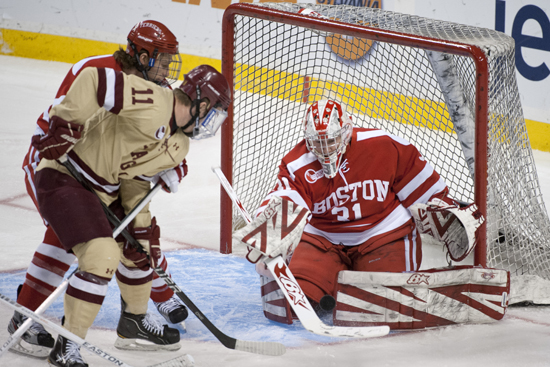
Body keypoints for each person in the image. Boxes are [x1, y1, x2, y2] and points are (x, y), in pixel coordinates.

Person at [29, 64, 230, 367]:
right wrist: (64, 123)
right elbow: (93, 79)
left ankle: (132, 324)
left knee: (142, 250)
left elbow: (133, 179)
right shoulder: (155, 100)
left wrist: (140, 226)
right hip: (66, 175)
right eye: (212, 112)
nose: (210, 123)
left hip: (103, 192)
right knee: (101, 255)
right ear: (201, 104)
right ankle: (66, 346)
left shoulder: (180, 144)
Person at [10, 20, 189, 358]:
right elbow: (61, 118)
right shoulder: (95, 69)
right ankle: (23, 319)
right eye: (163, 60)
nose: (167, 69)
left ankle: (134, 319)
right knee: (70, 241)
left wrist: (168, 160)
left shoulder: (157, 88)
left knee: (137, 235)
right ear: (143, 54)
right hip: (56, 165)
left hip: (104, 180)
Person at [233, 99, 483, 322]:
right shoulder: (298, 163)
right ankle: (330, 278)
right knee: (296, 301)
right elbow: (286, 198)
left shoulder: (383, 145)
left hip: (383, 235)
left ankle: (354, 282)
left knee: (384, 306)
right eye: (317, 143)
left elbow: (422, 186)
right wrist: (270, 230)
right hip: (322, 239)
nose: (325, 149)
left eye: (331, 141)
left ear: (346, 131)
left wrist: (444, 209)